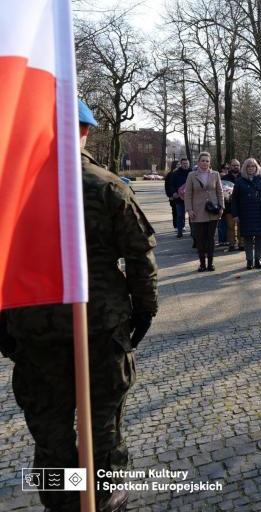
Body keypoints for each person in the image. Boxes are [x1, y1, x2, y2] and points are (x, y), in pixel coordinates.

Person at [1, 100, 158, 512]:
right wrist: (143, 313)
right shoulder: (107, 186)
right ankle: (103, 501)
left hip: (34, 332)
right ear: (86, 132)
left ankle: (65, 503)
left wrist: (5, 331)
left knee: (51, 436)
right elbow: (141, 258)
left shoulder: (10, 192)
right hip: (99, 330)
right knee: (102, 431)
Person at [231, 158, 261, 269]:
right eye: (248, 166)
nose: (251, 168)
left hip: (259, 213)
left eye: (253, 166)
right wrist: (235, 215)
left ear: (256, 168)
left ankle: (258, 260)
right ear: (245, 168)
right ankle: (249, 261)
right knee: (247, 238)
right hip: (245, 214)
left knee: (259, 238)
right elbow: (235, 200)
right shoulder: (240, 181)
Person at [184, 152, 224, 271]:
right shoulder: (191, 175)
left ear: (210, 162)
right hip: (197, 211)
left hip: (213, 211)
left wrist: (221, 207)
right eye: (203, 160)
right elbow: (188, 194)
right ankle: (202, 264)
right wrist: (189, 209)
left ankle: (210, 263)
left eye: (207, 161)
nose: (205, 163)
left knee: (210, 238)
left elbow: (220, 192)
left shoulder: (215, 174)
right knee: (200, 238)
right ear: (198, 162)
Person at [221, 159, 244, 251]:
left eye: (237, 165)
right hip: (229, 206)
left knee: (241, 226)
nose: (235, 167)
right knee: (230, 226)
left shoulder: (243, 177)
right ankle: (231, 243)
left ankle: (241, 244)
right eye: (234, 165)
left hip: (241, 205)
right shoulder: (224, 178)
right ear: (230, 166)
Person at [165, 157, 190, 237]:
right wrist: (174, 193)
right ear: (181, 164)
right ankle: (179, 231)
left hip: (190, 198)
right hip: (179, 198)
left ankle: (193, 232)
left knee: (191, 215)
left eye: (187, 164)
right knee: (180, 215)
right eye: (184, 164)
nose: (185, 165)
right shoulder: (175, 173)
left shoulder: (192, 172)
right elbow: (171, 184)